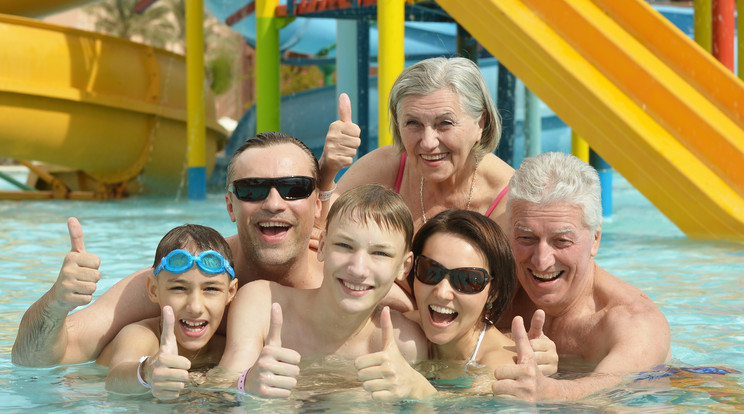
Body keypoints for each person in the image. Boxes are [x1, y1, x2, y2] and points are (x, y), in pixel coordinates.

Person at [12, 131, 409, 367]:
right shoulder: (189, 273)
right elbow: (33, 361)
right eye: (252, 189)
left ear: (317, 203)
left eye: (293, 188)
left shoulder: (354, 280)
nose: (273, 202)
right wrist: (56, 303)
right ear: (230, 205)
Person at [211, 184, 428, 400]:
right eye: (344, 246)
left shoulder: (404, 345)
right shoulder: (262, 305)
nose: (358, 269)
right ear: (322, 246)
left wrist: (419, 389)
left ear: (404, 266)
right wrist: (245, 383)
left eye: (380, 253)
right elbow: (218, 389)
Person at [493, 152, 672, 400]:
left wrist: (548, 391)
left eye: (561, 241)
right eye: (526, 238)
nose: (541, 260)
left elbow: (611, 390)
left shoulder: (634, 323)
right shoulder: (490, 290)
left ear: (595, 239)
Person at [355, 209, 557, 399]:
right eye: (430, 271)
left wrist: (420, 391)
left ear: (493, 292)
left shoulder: (500, 366)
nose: (442, 292)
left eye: (467, 280)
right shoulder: (403, 329)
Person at [318, 57, 513, 237]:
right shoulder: (386, 168)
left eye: (445, 123)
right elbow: (317, 232)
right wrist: (327, 170)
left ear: (480, 123)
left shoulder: (509, 197)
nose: (428, 143)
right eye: (413, 123)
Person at [96, 224, 238, 400]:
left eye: (211, 289)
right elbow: (115, 380)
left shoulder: (227, 351)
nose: (195, 307)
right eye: (179, 288)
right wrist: (147, 371)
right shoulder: (143, 336)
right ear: (154, 290)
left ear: (230, 293)